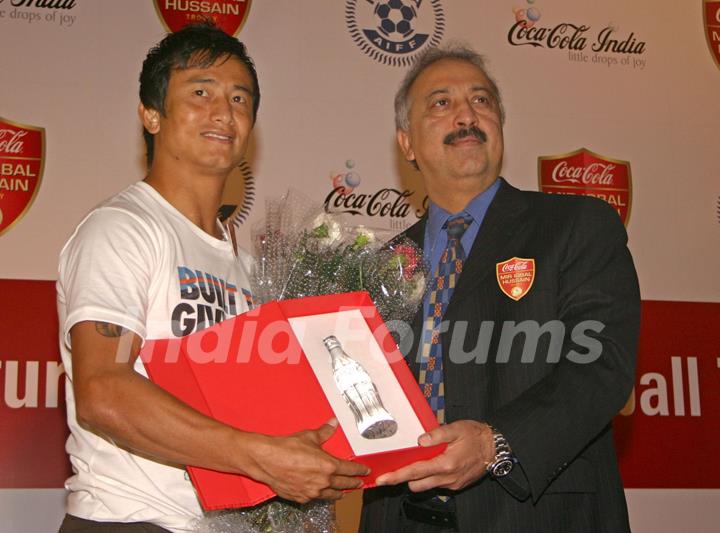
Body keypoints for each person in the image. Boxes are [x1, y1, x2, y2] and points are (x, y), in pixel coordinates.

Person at [56, 23, 368, 532]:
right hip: (132, 520)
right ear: (151, 114)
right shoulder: (122, 229)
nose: (224, 112)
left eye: (240, 98)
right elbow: (103, 391)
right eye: (201, 92)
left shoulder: (246, 268)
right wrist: (260, 456)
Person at [360, 44, 640, 532]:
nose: (467, 114)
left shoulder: (576, 225)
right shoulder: (380, 266)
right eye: (441, 103)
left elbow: (602, 367)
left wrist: (496, 443)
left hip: (537, 515)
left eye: (482, 101)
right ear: (406, 142)